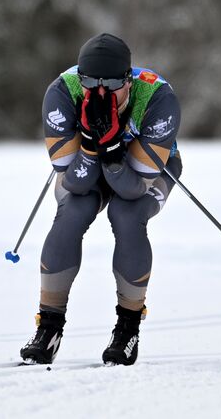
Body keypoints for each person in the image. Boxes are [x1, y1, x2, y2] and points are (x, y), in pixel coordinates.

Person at [19, 32, 183, 366]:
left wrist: (110, 149)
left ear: (128, 79)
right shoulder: (62, 92)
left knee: (127, 214)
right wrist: (95, 146)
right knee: (73, 209)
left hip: (143, 173)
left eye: (110, 82)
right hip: (87, 166)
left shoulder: (157, 98)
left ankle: (128, 328)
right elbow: (75, 183)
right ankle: (48, 327)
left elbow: (132, 188)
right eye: (90, 81)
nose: (99, 92)